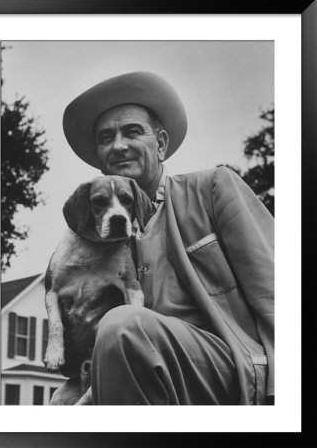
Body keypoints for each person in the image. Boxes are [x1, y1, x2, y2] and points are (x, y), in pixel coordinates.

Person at [57, 71, 274, 405]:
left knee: (123, 324)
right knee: (61, 401)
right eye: (105, 138)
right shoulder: (94, 241)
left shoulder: (212, 188)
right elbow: (75, 356)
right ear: (100, 160)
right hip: (133, 374)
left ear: (160, 144)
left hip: (224, 366)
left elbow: (276, 293)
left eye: (132, 132)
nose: (118, 145)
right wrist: (75, 334)